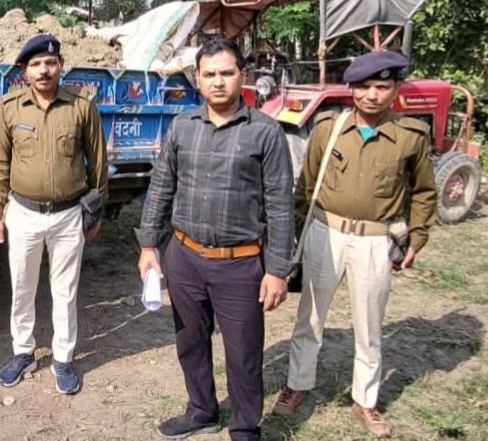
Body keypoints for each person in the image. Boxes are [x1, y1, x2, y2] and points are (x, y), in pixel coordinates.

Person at [271, 50, 437, 438]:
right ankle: (297, 383)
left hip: (375, 241)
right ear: (351, 90)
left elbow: (424, 192)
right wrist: (302, 233)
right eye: (363, 87)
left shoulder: (410, 137)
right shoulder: (328, 128)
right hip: (324, 234)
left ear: (396, 89)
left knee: (369, 324)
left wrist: (417, 238)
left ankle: (365, 399)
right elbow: (305, 185)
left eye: (382, 86)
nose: (372, 95)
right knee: (310, 317)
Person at [137, 37, 294, 441]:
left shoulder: (265, 132)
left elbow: (280, 206)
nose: (218, 82)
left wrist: (277, 270)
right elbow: (161, 187)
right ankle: (202, 409)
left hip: (240, 264)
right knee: (190, 340)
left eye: (227, 73)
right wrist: (149, 246)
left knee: (243, 352)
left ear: (243, 75)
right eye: (210, 74)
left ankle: (244, 427)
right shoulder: (182, 126)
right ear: (197, 78)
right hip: (185, 257)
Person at [0, 34, 108, 395]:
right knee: (22, 287)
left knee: (65, 291)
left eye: (50, 63)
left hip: (68, 216)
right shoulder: (10, 108)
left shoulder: (81, 107)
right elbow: (0, 163)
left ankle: (63, 358)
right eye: (36, 64)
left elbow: (98, 164)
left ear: (60, 66)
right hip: (23, 213)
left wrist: (96, 213)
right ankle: (23, 353)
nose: (44, 70)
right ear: (25, 71)